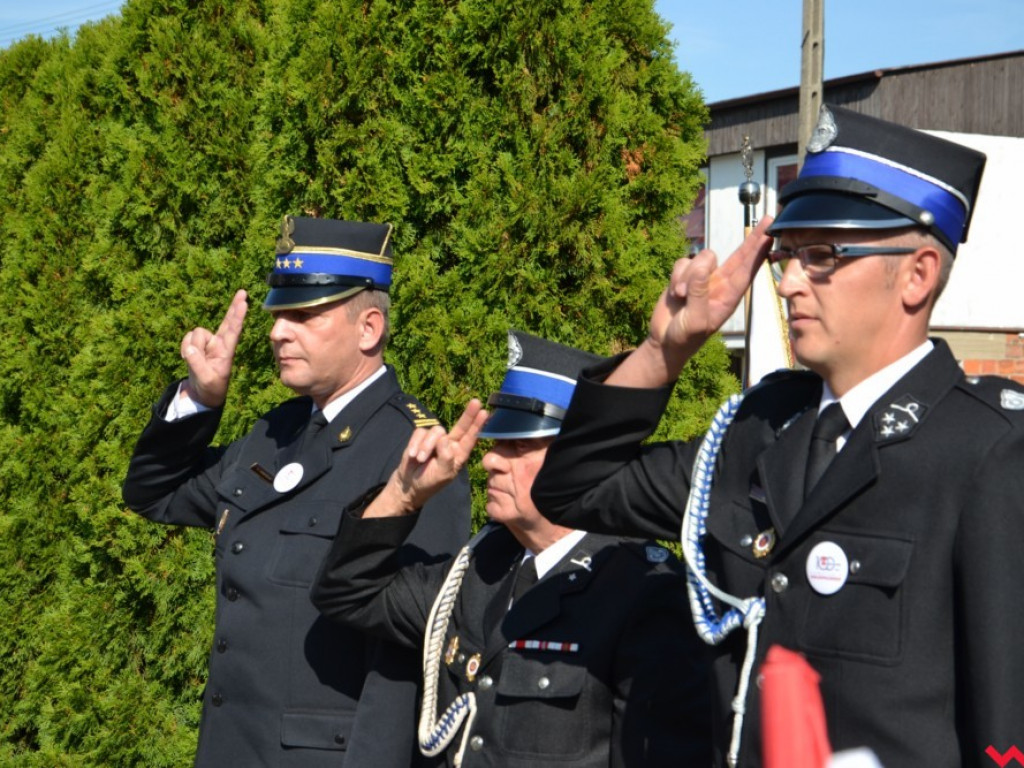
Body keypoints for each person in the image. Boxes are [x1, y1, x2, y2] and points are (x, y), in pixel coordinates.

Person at [532, 105, 1024, 767]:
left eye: (822, 256)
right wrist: (663, 350)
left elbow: (1005, 720)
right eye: (788, 257)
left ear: (918, 274)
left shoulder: (985, 453)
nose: (790, 282)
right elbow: (573, 490)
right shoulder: (756, 432)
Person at [122, 216, 470, 768]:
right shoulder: (274, 433)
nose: (278, 331)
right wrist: (200, 399)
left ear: (369, 328)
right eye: (279, 314)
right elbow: (155, 493)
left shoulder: (412, 454)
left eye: (304, 315)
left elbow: (407, 657)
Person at [311, 330, 713, 768]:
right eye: (498, 442)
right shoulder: (481, 567)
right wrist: (403, 495)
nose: (490, 460)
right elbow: (347, 592)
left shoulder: (646, 591)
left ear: (581, 458)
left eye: (519, 445)